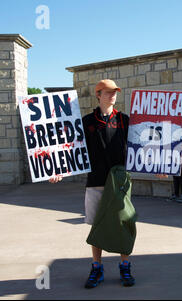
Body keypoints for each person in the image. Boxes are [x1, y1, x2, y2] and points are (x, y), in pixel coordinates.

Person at [49, 79, 135, 289]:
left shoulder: (124, 120)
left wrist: (159, 168)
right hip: (95, 181)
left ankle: (125, 266)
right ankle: (97, 267)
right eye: (108, 92)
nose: (112, 95)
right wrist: (59, 170)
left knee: (123, 224)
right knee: (97, 227)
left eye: (115, 91)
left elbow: (140, 148)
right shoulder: (86, 121)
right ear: (98, 94)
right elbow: (71, 149)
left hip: (119, 183)